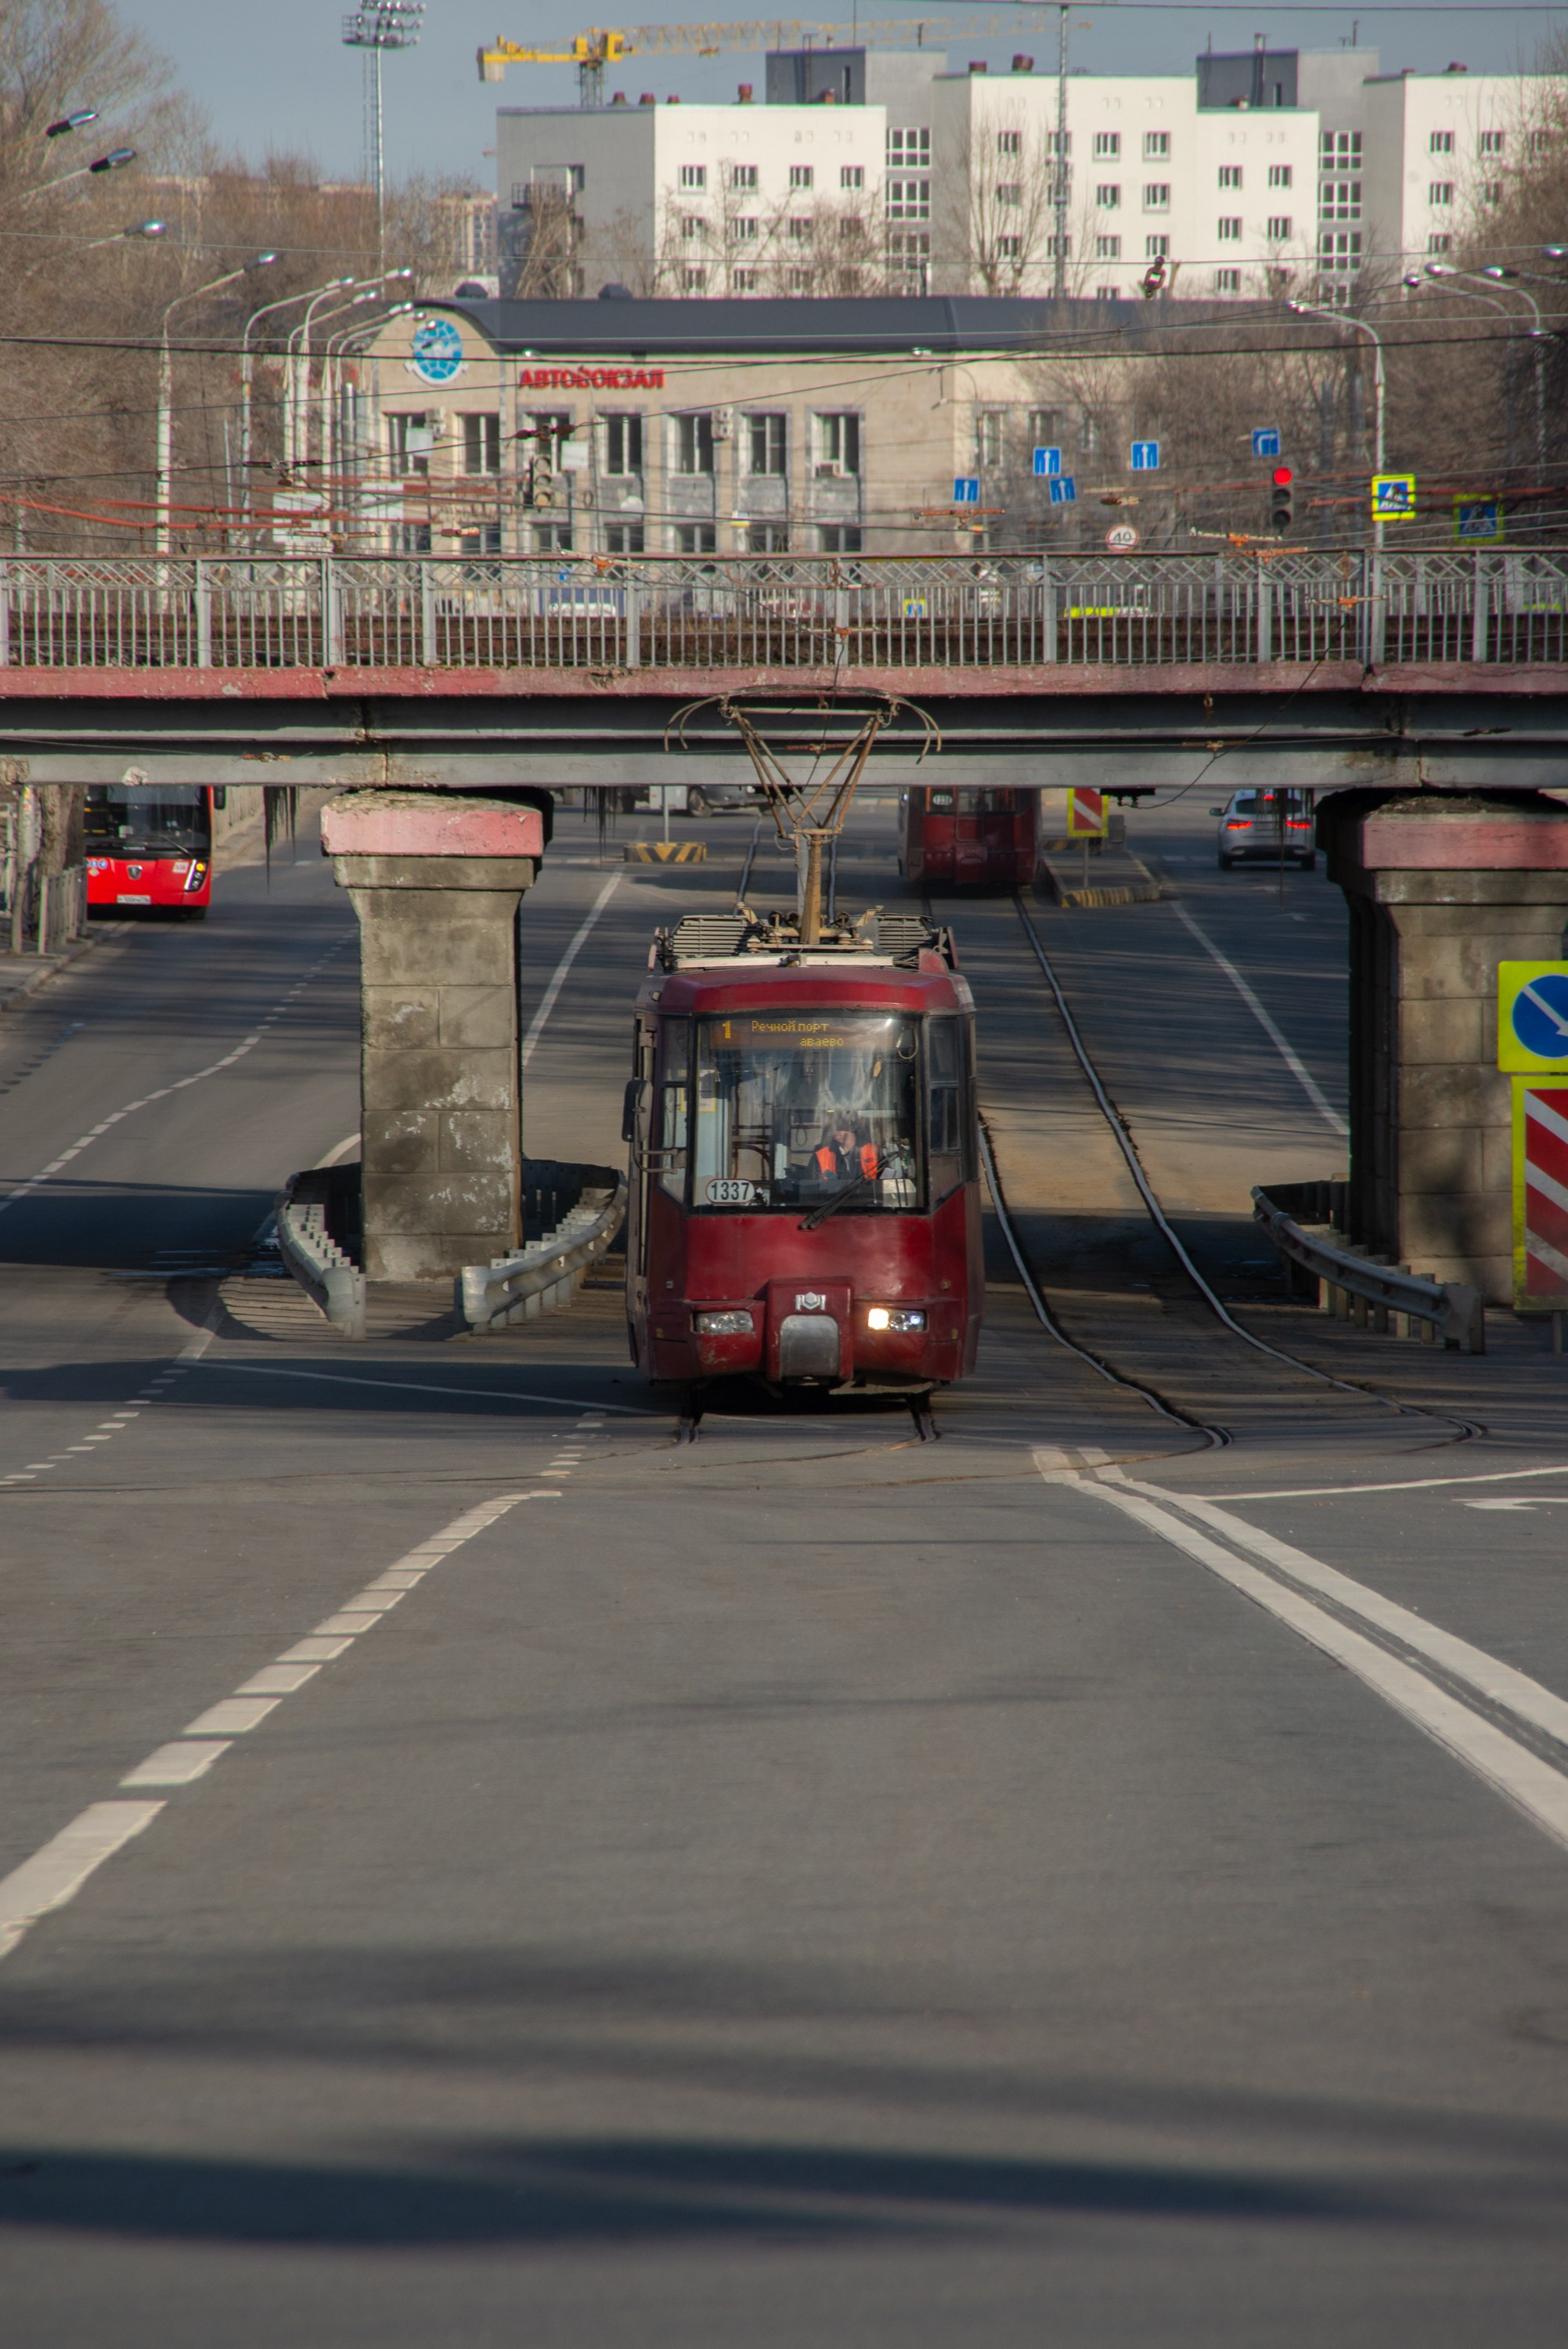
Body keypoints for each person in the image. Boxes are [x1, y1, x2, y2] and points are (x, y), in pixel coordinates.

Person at [815, 1119, 878, 1183]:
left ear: (852, 1130)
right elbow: (813, 1179)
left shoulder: (872, 1150)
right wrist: (837, 1182)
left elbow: (884, 1175)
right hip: (836, 1192)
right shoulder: (822, 1154)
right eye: (833, 1130)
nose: (835, 1133)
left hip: (870, 1191)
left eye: (840, 1129)